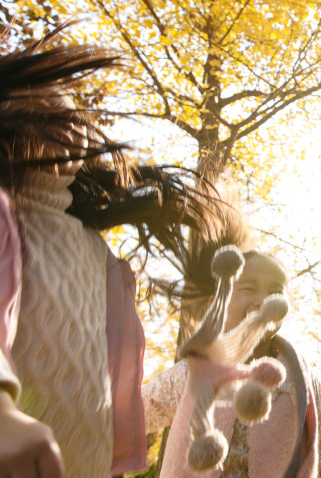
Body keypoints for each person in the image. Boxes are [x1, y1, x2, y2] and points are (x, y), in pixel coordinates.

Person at [0, 28, 222, 477]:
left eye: (72, 117)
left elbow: (115, 374)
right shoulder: (8, 215)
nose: (66, 124)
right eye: (43, 112)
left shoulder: (102, 258)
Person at [143, 242, 321, 477]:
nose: (263, 300)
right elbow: (133, 414)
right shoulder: (191, 373)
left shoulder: (301, 381)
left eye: (274, 292)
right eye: (249, 288)